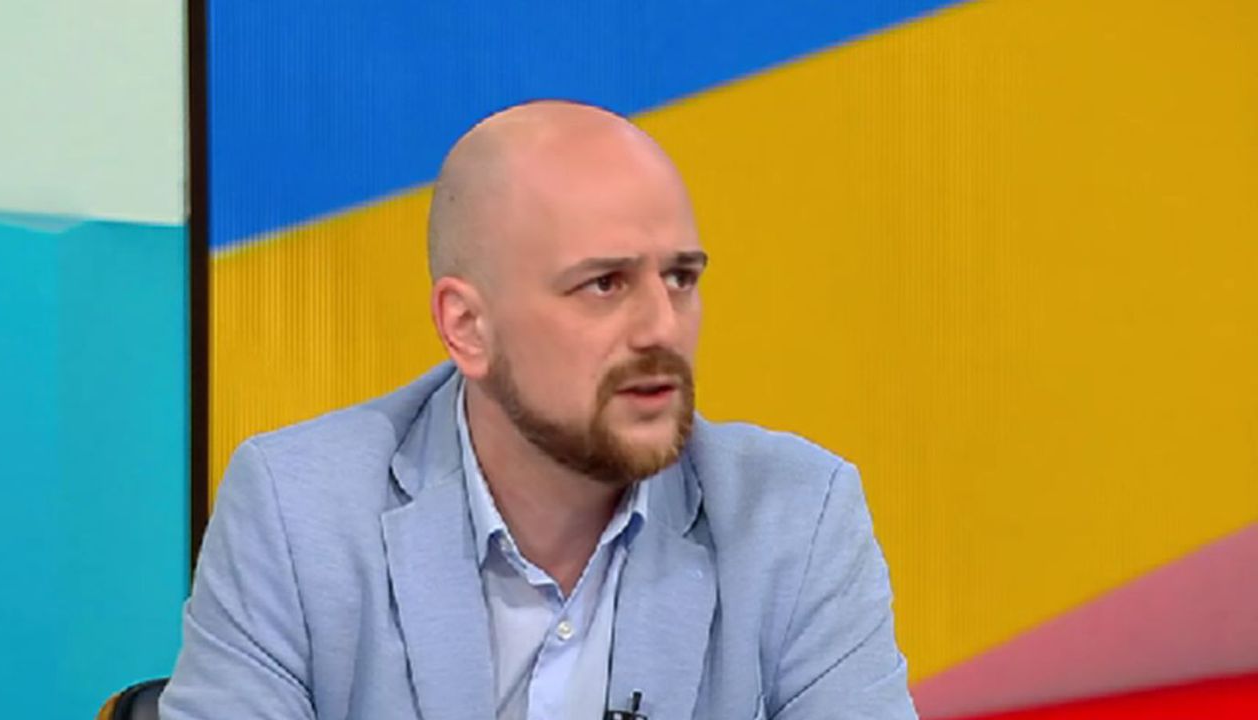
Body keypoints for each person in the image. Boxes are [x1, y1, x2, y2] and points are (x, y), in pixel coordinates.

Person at [161, 100, 917, 720]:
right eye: (604, 284)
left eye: (680, 279)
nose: (661, 328)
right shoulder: (300, 513)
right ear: (468, 327)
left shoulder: (794, 519)